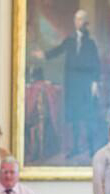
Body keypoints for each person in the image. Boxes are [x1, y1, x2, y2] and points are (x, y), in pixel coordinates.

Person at [33, 9, 102, 159]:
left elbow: (96, 63)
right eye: (76, 19)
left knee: (88, 117)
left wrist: (95, 83)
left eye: (81, 19)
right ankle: (76, 148)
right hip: (72, 85)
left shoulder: (90, 43)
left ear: (86, 23)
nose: (78, 22)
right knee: (74, 118)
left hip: (85, 86)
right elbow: (58, 50)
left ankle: (92, 149)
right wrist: (44, 55)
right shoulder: (70, 40)